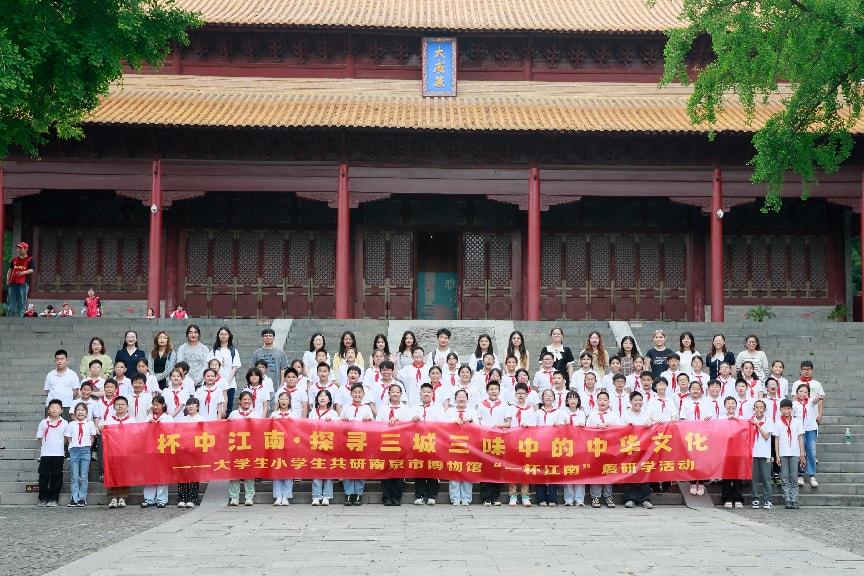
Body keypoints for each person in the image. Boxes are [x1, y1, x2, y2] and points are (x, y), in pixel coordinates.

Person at [477, 380, 510, 506]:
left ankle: (495, 497)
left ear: (499, 391)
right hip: (484, 440)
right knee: (485, 467)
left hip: (498, 440)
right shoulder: (481, 405)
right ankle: (485, 497)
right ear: (487, 391)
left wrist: (497, 425)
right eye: (491, 389)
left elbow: (508, 423)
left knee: (497, 467)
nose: (494, 391)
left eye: (496, 389)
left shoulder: (504, 405)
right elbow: (478, 422)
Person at [411, 382, 445, 505]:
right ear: (420, 393)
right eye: (424, 392)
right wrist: (413, 419)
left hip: (433, 441)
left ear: (432, 393)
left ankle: (432, 495)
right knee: (419, 467)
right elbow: (408, 423)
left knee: (433, 467)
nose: (426, 394)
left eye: (428, 392)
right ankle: (419, 495)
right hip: (418, 441)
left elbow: (442, 423)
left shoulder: (438, 408)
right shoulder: (414, 407)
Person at [341, 383, 374, 506]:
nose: (357, 395)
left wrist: (368, 419)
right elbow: (339, 424)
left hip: (362, 441)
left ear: (363, 394)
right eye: (355, 392)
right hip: (348, 441)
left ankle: (358, 493)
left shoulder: (367, 408)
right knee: (348, 466)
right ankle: (349, 493)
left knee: (360, 465)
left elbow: (373, 425)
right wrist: (343, 421)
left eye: (360, 392)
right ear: (351, 394)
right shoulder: (346, 408)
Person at [585, 391, 620, 508]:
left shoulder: (613, 415)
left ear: (609, 402)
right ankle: (595, 496)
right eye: (600, 399)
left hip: (610, 447)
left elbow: (620, 428)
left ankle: (608, 495)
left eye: (605, 400)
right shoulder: (592, 415)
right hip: (595, 447)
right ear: (596, 401)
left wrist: (608, 425)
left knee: (608, 470)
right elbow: (586, 429)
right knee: (596, 471)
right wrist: (596, 427)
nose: (602, 402)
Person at [378, 384, 411, 505]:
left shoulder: (406, 408)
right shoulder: (383, 408)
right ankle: (387, 497)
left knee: (398, 469)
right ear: (389, 394)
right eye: (392, 392)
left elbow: (409, 424)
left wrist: (398, 421)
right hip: (385, 443)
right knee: (386, 469)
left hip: (400, 443)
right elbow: (377, 424)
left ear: (401, 394)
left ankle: (397, 497)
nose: (395, 394)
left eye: (397, 392)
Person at [227, 391, 259, 506]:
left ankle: (249, 496)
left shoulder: (255, 414)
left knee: (249, 471)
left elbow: (260, 430)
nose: (247, 401)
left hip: (250, 447)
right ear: (240, 401)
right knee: (235, 471)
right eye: (244, 399)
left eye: (249, 399)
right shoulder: (234, 414)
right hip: (236, 447)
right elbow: (227, 428)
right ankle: (234, 497)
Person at [100, 395, 133, 508]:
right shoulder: (109, 420)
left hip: (126, 452)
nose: (120, 406)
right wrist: (101, 429)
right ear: (114, 407)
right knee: (112, 474)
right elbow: (104, 434)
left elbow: (135, 435)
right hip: (112, 452)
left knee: (124, 474)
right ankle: (113, 497)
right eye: (118, 404)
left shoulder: (131, 420)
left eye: (122, 404)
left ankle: (123, 497)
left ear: (127, 406)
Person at [445, 388, 476, 506]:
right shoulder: (450, 411)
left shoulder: (472, 411)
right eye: (459, 396)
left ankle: (466, 498)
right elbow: (443, 425)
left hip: (469, 445)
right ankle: (455, 497)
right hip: (453, 444)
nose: (461, 398)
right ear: (455, 399)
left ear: (467, 399)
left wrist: (471, 421)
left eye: (464, 396)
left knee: (467, 470)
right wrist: (453, 422)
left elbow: (478, 427)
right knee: (454, 469)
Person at [622, 391, 653, 509]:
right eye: (635, 400)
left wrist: (650, 424)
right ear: (630, 402)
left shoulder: (646, 414)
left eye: (640, 400)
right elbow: (620, 429)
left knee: (644, 472)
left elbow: (654, 427)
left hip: (644, 448)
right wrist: (627, 426)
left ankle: (645, 499)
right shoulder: (625, 414)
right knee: (631, 472)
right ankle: (630, 499)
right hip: (630, 448)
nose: (638, 402)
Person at [555, 391, 587, 506]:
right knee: (568, 470)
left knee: (579, 471)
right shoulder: (562, 413)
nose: (573, 400)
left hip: (579, 445)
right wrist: (562, 426)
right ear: (567, 401)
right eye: (570, 398)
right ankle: (568, 498)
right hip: (566, 445)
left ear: (578, 401)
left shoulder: (582, 413)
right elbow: (558, 428)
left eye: (575, 398)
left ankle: (579, 499)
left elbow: (585, 429)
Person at [507, 382, 535, 507]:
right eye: (519, 393)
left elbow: (534, 425)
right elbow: (508, 423)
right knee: (512, 468)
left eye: (523, 393)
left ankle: (525, 495)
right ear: (515, 394)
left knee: (525, 468)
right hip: (513, 441)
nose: (521, 395)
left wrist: (527, 425)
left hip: (526, 441)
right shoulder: (511, 408)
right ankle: (513, 495)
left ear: (527, 395)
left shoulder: (530, 409)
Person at [36, 399, 68, 507]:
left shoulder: (64, 423)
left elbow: (65, 438)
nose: (54, 409)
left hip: (58, 454)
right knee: (44, 476)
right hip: (45, 454)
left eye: (57, 408)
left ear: (61, 410)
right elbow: (40, 437)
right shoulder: (43, 422)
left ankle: (53, 498)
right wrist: (47, 446)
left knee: (56, 477)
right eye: (52, 407)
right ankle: (42, 498)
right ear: (48, 410)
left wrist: (58, 446)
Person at [142, 396, 173, 508]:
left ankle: (161, 499)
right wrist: (148, 425)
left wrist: (161, 425)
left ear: (163, 405)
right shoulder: (148, 417)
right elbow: (141, 431)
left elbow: (172, 432)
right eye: (153, 404)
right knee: (150, 473)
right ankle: (149, 498)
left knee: (162, 473)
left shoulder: (168, 418)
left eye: (157, 404)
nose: (155, 407)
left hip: (163, 448)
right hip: (150, 449)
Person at [774, 398, 805, 509]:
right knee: (785, 477)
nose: (786, 411)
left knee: (794, 477)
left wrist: (802, 453)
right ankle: (787, 498)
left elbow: (800, 438)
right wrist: (777, 455)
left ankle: (794, 499)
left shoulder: (797, 422)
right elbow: (776, 440)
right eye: (784, 409)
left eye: (788, 409)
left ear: (791, 409)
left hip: (795, 453)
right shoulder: (778, 422)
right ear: (780, 410)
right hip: (783, 453)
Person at [66, 401, 97, 507]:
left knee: (83, 476)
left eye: (83, 410)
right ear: (74, 413)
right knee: (74, 476)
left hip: (85, 451)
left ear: (86, 412)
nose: (80, 412)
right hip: (74, 451)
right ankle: (74, 498)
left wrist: (88, 447)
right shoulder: (71, 424)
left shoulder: (90, 423)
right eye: (78, 410)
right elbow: (69, 438)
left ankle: (82, 498)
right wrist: (71, 447)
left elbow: (92, 437)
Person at [792, 382, 823, 489]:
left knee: (811, 452)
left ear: (808, 393)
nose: (803, 393)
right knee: (800, 452)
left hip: (811, 429)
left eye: (805, 392)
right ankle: (800, 475)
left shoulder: (810, 401)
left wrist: (819, 397)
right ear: (797, 393)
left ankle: (811, 475)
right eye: (800, 391)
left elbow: (815, 400)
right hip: (799, 432)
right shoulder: (794, 404)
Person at [534, 389, 559, 506]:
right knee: (540, 470)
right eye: (546, 396)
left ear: (554, 398)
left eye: (551, 396)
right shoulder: (537, 413)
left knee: (553, 470)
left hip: (554, 445)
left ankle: (553, 498)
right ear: (542, 398)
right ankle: (541, 498)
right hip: (540, 446)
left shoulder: (558, 412)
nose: (548, 398)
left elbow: (563, 428)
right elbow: (533, 428)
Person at [177, 397, 203, 507]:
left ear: (198, 407)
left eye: (193, 404)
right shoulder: (182, 420)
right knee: (182, 473)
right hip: (183, 450)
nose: (190, 406)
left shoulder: (202, 419)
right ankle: (182, 498)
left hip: (196, 451)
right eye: (188, 404)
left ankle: (192, 499)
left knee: (194, 474)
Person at [209, 326, 241, 414]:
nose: (223, 336)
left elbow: (234, 367)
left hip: (230, 384)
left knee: (228, 409)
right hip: (215, 384)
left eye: (225, 334)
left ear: (229, 336)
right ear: (218, 336)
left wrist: (228, 381)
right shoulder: (214, 351)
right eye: (221, 334)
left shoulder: (233, 351)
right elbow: (210, 367)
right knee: (215, 408)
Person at [270, 392, 295, 506]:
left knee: (288, 470)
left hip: (289, 446)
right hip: (276, 445)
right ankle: (278, 496)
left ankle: (286, 496)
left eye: (286, 399)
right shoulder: (274, 414)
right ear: (278, 401)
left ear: (289, 401)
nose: (283, 401)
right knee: (277, 469)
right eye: (281, 399)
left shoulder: (294, 414)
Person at [720, 396, 744, 508]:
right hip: (725, 450)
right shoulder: (720, 418)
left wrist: (736, 420)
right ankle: (727, 498)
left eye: (733, 403)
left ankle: (738, 498)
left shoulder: (741, 418)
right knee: (726, 476)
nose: (731, 405)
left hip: (738, 450)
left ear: (736, 405)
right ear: (724, 405)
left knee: (738, 475)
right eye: (728, 403)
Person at [249, 328, 289, 396]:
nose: (268, 337)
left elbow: (283, 369)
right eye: (265, 336)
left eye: (270, 336)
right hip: (259, 386)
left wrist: (282, 384)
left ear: (274, 338)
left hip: (276, 386)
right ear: (262, 338)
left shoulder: (280, 353)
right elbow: (252, 370)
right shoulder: (257, 353)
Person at [750, 399, 774, 510]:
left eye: (761, 407)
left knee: (766, 478)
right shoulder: (750, 420)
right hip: (753, 453)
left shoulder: (769, 420)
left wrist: (758, 426)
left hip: (765, 454)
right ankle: (755, 499)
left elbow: (766, 436)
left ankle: (767, 500)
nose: (759, 409)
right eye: (757, 407)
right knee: (754, 477)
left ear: (765, 409)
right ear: (754, 409)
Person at [44, 349, 79, 420]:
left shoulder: (72, 374)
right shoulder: (50, 375)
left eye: (62, 359)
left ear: (66, 360)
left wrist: (67, 398)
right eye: (57, 359)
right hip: (51, 407)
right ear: (55, 361)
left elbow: (75, 390)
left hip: (67, 406)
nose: (59, 361)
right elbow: (47, 391)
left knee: (67, 426)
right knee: (50, 426)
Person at [6, 241, 34, 317]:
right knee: (11, 300)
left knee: (22, 300)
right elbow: (10, 270)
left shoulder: (30, 259)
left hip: (23, 283)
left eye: (21, 248)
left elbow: (31, 270)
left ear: (26, 249)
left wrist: (22, 273)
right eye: (18, 248)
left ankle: (20, 315)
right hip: (13, 283)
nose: (19, 250)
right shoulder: (14, 259)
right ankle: (10, 315)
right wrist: (7, 280)